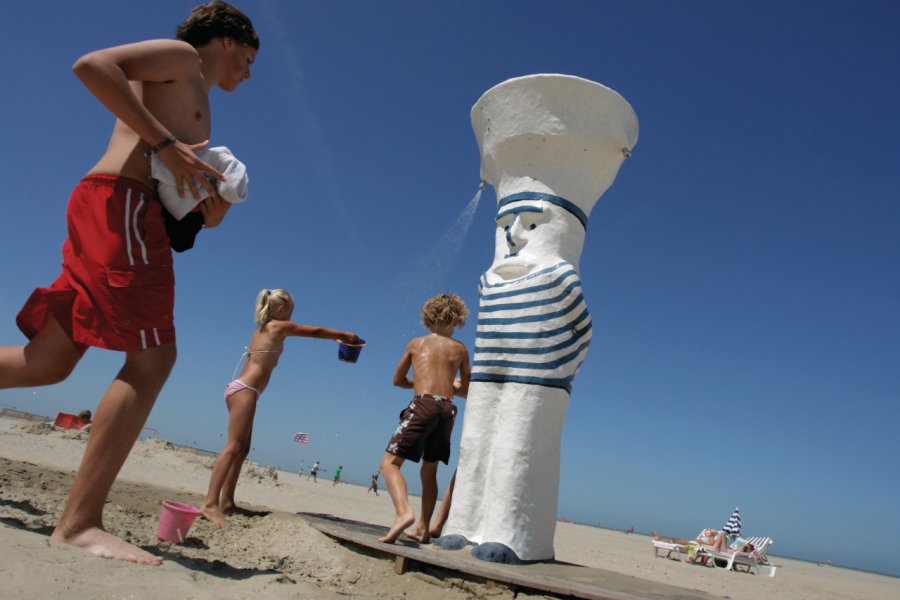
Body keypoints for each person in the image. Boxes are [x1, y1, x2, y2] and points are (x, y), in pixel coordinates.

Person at [0, 2, 258, 565]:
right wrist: (167, 146)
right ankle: (79, 523)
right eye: (249, 58)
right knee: (153, 359)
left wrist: (215, 198)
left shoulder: (197, 101)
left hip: (120, 209)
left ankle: (80, 520)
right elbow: (92, 65)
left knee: (49, 362)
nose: (248, 72)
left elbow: (198, 210)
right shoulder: (185, 57)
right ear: (229, 39)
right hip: (120, 204)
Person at [201, 289, 358, 527]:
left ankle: (227, 501)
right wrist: (344, 335)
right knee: (233, 446)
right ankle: (210, 503)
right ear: (281, 310)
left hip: (243, 390)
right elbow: (313, 331)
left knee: (242, 449)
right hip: (245, 390)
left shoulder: (263, 329)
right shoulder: (277, 326)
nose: (292, 318)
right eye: (291, 313)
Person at [378, 293, 470, 544]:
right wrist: (451, 385)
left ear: (428, 318)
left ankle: (403, 513)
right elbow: (465, 389)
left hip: (423, 405)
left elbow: (397, 381)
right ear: (458, 320)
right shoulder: (461, 349)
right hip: (447, 410)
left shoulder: (416, 344)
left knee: (389, 464)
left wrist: (419, 383)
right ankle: (423, 528)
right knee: (429, 471)